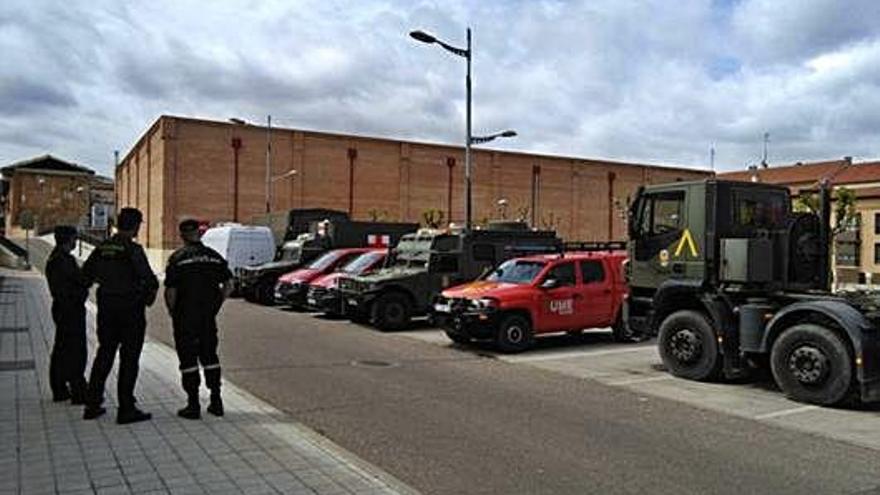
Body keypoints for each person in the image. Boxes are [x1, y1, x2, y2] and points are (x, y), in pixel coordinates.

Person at [82, 207, 159, 424]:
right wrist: (146, 296)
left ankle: (92, 403)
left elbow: (86, 275)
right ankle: (126, 408)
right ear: (135, 226)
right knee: (129, 358)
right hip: (130, 310)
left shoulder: (102, 247)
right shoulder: (132, 249)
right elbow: (150, 280)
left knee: (104, 353)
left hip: (106, 306)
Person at [164, 219, 233, 419]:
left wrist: (172, 312)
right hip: (207, 317)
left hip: (185, 317)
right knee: (210, 356)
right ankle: (216, 400)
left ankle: (193, 404)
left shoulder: (177, 258)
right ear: (199, 233)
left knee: (188, 360)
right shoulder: (214, 257)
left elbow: (170, 291)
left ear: (182, 235)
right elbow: (229, 283)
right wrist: (217, 303)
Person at [45, 225, 88, 404]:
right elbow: (77, 283)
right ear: (69, 239)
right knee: (75, 351)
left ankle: (60, 388)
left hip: (63, 308)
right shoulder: (63, 261)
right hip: (70, 309)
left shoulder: (56, 259)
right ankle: (78, 391)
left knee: (62, 349)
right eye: (74, 238)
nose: (75, 241)